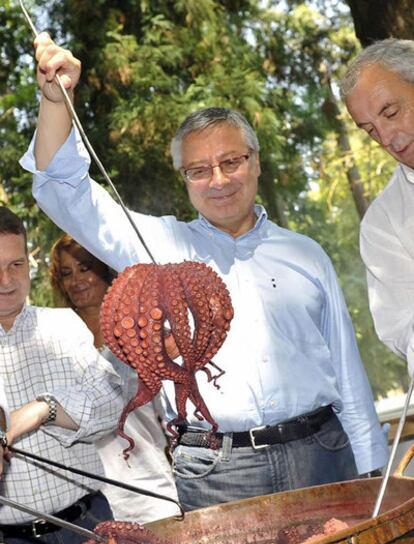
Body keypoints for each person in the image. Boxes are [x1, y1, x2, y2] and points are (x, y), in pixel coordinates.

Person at [20, 32, 388, 513]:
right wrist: (55, 100)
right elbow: (60, 189)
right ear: (184, 178)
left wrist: (372, 467)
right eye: (199, 170)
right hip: (218, 472)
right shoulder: (153, 246)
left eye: (231, 161)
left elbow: (347, 373)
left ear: (255, 162)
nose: (218, 180)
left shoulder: (306, 254)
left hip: (322, 454)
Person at [0, 206, 123, 544]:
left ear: (29, 262)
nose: (6, 280)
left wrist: (44, 409)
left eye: (15, 264)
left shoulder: (64, 326)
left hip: (84, 529)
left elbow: (109, 405)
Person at [49, 234, 179, 521]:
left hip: (150, 490)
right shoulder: (56, 341)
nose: (76, 281)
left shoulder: (141, 333)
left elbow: (170, 412)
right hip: (89, 505)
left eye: (85, 268)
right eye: (66, 273)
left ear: (105, 269)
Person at [341, 39, 414, 376]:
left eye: (391, 112)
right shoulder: (382, 224)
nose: (386, 138)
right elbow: (401, 328)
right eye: (369, 130)